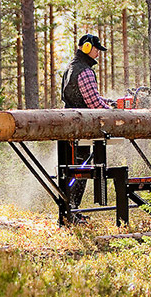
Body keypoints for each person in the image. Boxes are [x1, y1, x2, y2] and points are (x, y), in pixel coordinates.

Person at [61, 34, 114, 223]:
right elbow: (94, 104)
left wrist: (109, 102)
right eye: (96, 49)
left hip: (71, 124)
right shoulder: (85, 71)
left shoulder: (71, 68)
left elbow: (92, 99)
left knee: (72, 169)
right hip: (82, 127)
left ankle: (70, 211)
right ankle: (72, 211)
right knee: (80, 170)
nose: (98, 52)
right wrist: (114, 113)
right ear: (86, 48)